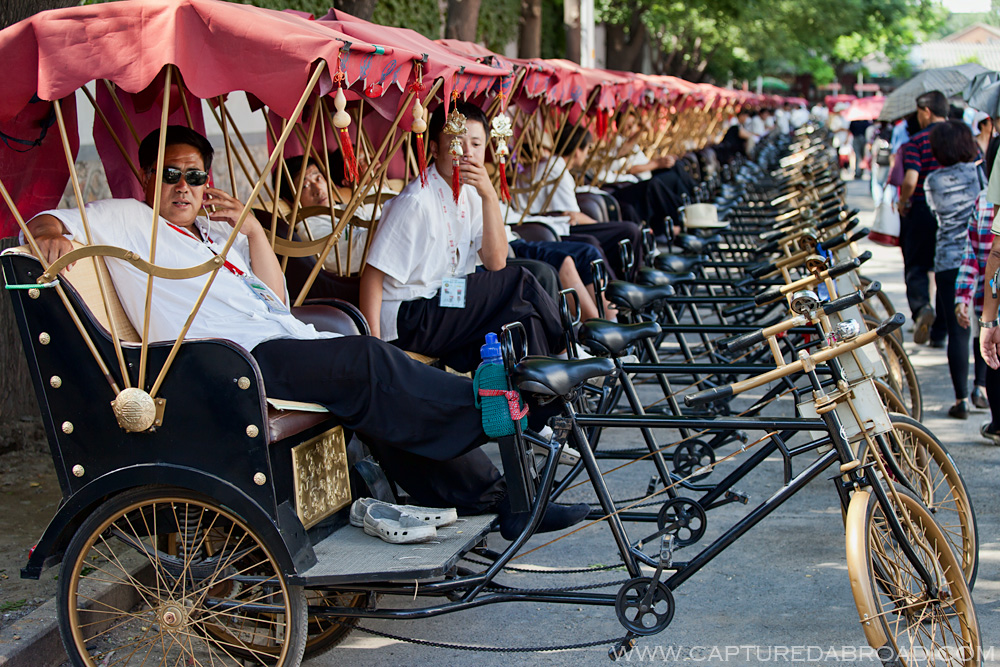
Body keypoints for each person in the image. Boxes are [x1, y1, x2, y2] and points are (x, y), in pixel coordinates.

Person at [25, 125, 589, 538]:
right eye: (170, 174)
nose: (183, 185)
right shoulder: (129, 216)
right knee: (370, 362)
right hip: (225, 361)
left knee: (378, 384)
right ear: (148, 179)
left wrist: (251, 232)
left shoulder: (207, 237)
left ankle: (500, 496)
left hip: (279, 336)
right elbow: (56, 221)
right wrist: (48, 227)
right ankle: (494, 405)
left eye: (195, 176)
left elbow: (277, 301)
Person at [360, 102, 566, 373]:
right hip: (409, 315)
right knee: (521, 280)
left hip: (447, 298)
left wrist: (490, 196)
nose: (467, 153)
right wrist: (374, 348)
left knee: (525, 319)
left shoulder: (470, 192)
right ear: (434, 149)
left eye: (477, 144)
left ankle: (546, 404)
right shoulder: (415, 202)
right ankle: (565, 351)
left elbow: (495, 262)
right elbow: (372, 277)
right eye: (457, 144)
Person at [925, 120, 984, 418]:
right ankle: (981, 388)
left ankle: (960, 400)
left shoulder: (932, 180)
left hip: (948, 260)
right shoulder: (979, 173)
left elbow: (936, 214)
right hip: (981, 256)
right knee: (984, 321)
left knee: (957, 330)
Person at [956, 136, 1000, 432]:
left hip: (991, 298)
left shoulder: (983, 204)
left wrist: (987, 320)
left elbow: (989, 254)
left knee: (994, 359)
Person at [899, 90, 948, 347]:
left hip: (920, 210)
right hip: (953, 213)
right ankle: (940, 331)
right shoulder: (962, 138)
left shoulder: (917, 142)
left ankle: (921, 309)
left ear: (926, 111)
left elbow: (910, 179)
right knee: (944, 268)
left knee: (917, 266)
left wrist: (903, 202)